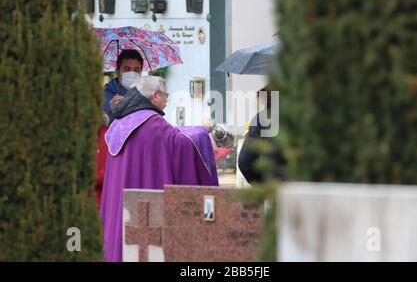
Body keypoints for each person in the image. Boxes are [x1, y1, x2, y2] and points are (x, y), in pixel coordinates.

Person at [100, 76, 219, 262]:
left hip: (120, 210)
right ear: (155, 96)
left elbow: (174, 133)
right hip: (145, 213)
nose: (167, 100)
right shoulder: (153, 123)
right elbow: (181, 143)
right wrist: (203, 131)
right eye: (165, 95)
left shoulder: (119, 122)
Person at [238, 86, 285, 183]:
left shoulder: (261, 118)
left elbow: (245, 163)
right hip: (309, 187)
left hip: (274, 184)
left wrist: (261, 184)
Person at [102, 49, 143, 125]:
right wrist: (111, 112)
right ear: (117, 71)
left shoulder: (144, 95)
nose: (132, 73)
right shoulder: (103, 96)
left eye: (136, 70)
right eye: (127, 69)